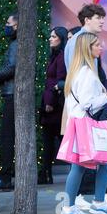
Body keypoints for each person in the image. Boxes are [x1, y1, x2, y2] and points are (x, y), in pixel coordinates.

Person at [63, 4, 107, 212]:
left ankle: (94, 199)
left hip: (88, 113)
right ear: (87, 19)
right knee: (86, 160)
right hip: (88, 114)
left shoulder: (85, 45)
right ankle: (81, 200)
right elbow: (82, 91)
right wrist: (102, 98)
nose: (102, 21)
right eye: (98, 17)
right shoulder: (79, 45)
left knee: (98, 159)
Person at [38, 27, 68, 185]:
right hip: (50, 104)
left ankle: (47, 174)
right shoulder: (54, 56)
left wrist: (50, 102)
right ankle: (46, 173)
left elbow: (59, 81)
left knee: (59, 139)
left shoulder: (62, 57)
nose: (50, 39)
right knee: (49, 140)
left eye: (53, 36)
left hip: (56, 106)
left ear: (61, 39)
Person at [0, 12, 18, 191]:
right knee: (8, 137)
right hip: (11, 94)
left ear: (16, 25)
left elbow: (12, 67)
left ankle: (6, 177)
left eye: (8, 23)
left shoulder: (16, 45)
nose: (6, 26)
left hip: (12, 95)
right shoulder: (16, 44)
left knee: (7, 137)